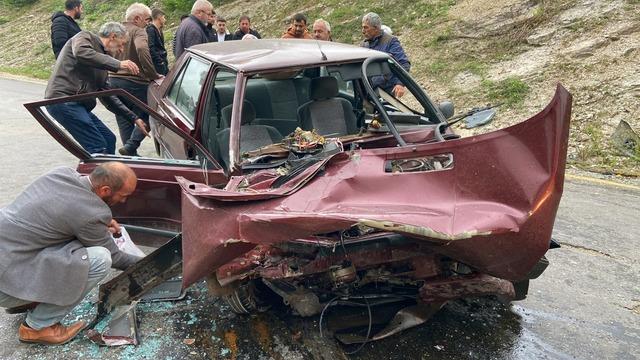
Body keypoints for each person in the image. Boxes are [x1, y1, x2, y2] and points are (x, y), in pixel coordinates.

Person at [0, 162, 143, 345]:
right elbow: (115, 257)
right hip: (6, 286)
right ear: (105, 190)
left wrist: (99, 224)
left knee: (76, 245)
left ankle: (33, 299)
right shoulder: (91, 213)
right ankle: (37, 327)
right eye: (123, 196)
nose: (123, 201)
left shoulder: (61, 173)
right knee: (100, 258)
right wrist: (153, 261)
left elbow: (63, 213)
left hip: (8, 256)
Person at [44, 22, 148, 155]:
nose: (122, 50)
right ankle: (96, 175)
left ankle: (107, 174)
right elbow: (81, 52)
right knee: (98, 147)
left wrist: (133, 118)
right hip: (64, 101)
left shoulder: (102, 62)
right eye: (122, 44)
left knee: (109, 139)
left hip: (78, 103)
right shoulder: (85, 37)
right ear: (112, 36)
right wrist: (118, 64)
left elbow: (107, 94)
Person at [110, 3, 161, 157]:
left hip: (112, 81)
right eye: (147, 19)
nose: (148, 23)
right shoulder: (139, 31)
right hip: (134, 82)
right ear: (137, 19)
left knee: (123, 116)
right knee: (152, 111)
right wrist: (152, 74)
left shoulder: (114, 32)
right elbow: (141, 48)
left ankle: (129, 154)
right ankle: (132, 145)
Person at [360, 12, 411, 98]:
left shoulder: (390, 41)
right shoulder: (363, 45)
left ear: (376, 28)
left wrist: (399, 83)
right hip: (369, 92)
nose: (363, 31)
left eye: (366, 28)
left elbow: (404, 64)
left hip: (388, 91)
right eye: (362, 28)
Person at [146, 8, 169, 76]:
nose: (165, 20)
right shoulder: (151, 30)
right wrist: (159, 61)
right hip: (158, 64)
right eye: (163, 17)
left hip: (163, 61)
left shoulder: (159, 29)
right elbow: (151, 47)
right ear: (159, 18)